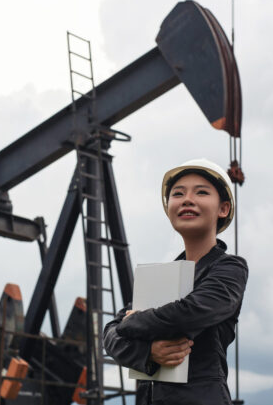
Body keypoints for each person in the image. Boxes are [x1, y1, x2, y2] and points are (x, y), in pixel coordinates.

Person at [103, 158, 248, 405]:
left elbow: (189, 313)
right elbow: (110, 333)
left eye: (201, 192)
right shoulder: (163, 277)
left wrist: (132, 322)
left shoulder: (229, 268)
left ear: (223, 209)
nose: (187, 200)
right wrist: (147, 353)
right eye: (178, 194)